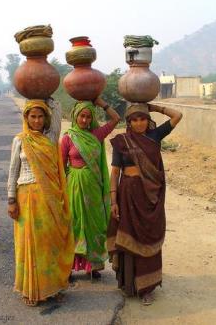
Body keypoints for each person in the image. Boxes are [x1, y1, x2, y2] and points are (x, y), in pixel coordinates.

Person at [107, 102, 182, 305]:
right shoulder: (121, 141)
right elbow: (115, 172)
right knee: (130, 237)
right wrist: (113, 200)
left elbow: (177, 115)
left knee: (147, 238)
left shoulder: (154, 136)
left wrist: (153, 107)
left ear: (148, 121)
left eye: (142, 119)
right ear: (129, 122)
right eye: (134, 119)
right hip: (128, 194)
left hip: (150, 197)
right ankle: (128, 283)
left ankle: (147, 288)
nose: (139, 123)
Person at [7, 100, 74, 306]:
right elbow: (13, 171)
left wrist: (48, 97)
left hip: (49, 198)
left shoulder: (51, 138)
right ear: (26, 118)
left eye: (40, 116)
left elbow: (57, 110)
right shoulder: (19, 140)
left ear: (46, 119)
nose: (36, 120)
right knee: (29, 244)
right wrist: (11, 199)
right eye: (32, 116)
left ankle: (53, 287)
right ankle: (31, 289)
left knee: (49, 242)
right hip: (26, 197)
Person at [61, 98, 120, 279]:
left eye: (88, 116)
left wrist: (101, 102)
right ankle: (69, 266)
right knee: (75, 225)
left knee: (95, 225)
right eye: (81, 116)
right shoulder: (68, 138)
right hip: (74, 189)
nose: (85, 120)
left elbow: (116, 118)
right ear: (75, 116)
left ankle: (93, 265)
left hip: (94, 188)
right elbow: (61, 166)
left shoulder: (96, 135)